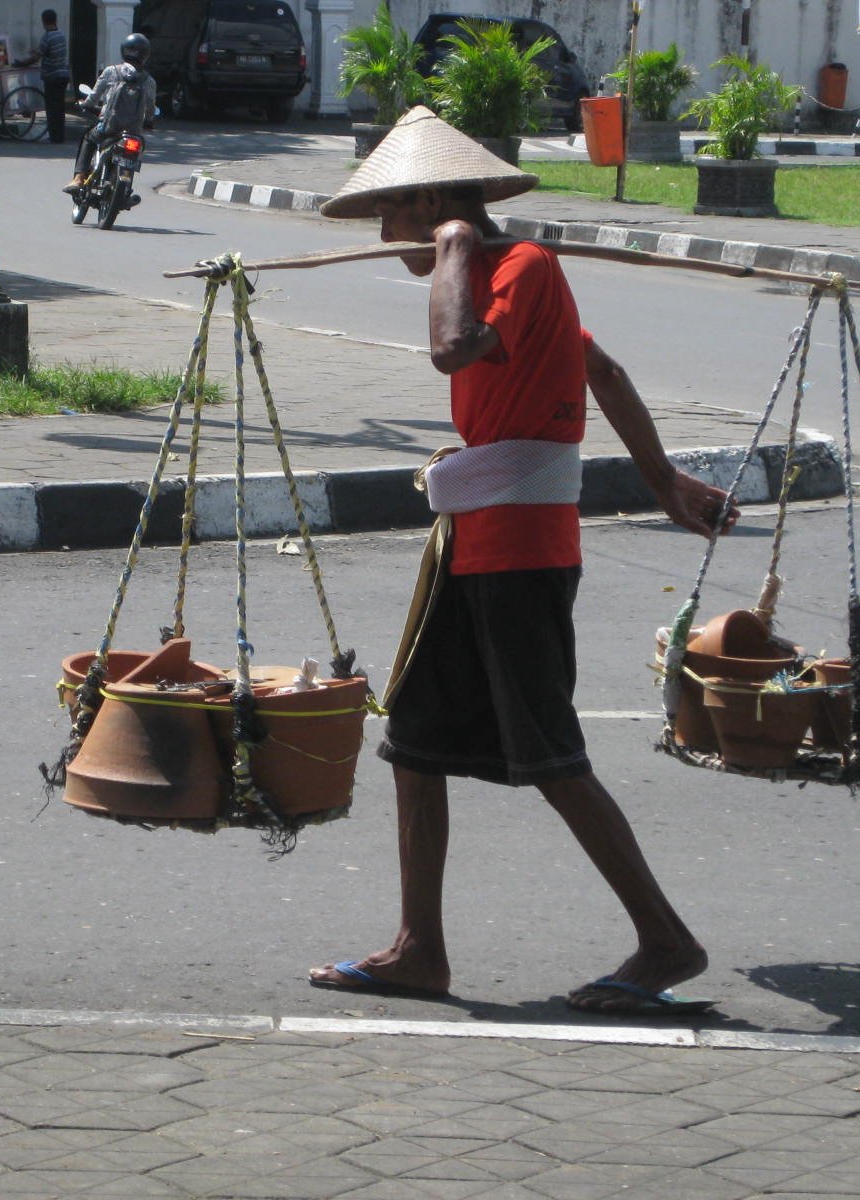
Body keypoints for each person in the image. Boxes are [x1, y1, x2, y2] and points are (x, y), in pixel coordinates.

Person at [306, 107, 740, 1015]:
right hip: (472, 541)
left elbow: (451, 348)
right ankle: (419, 949)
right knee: (414, 741)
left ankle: (667, 940)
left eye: (393, 216)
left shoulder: (519, 268)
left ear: (433, 202)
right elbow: (599, 371)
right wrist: (663, 481)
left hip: (523, 551)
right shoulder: (502, 277)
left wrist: (455, 244)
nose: (386, 240)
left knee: (549, 754)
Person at [63, 33, 156, 194]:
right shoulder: (149, 81)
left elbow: (94, 96)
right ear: (145, 55)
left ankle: (79, 177)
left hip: (108, 127)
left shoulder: (111, 71)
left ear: (124, 50)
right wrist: (149, 121)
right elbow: (150, 108)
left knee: (88, 138)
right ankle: (125, 190)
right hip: (133, 132)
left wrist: (85, 104)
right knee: (135, 153)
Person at [15, 9, 71, 143]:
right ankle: (60, 136)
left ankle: (54, 137)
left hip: (52, 77)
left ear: (44, 21)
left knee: (52, 108)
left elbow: (36, 57)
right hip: (63, 75)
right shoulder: (61, 35)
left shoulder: (47, 37)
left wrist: (21, 63)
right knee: (60, 108)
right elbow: (49, 52)